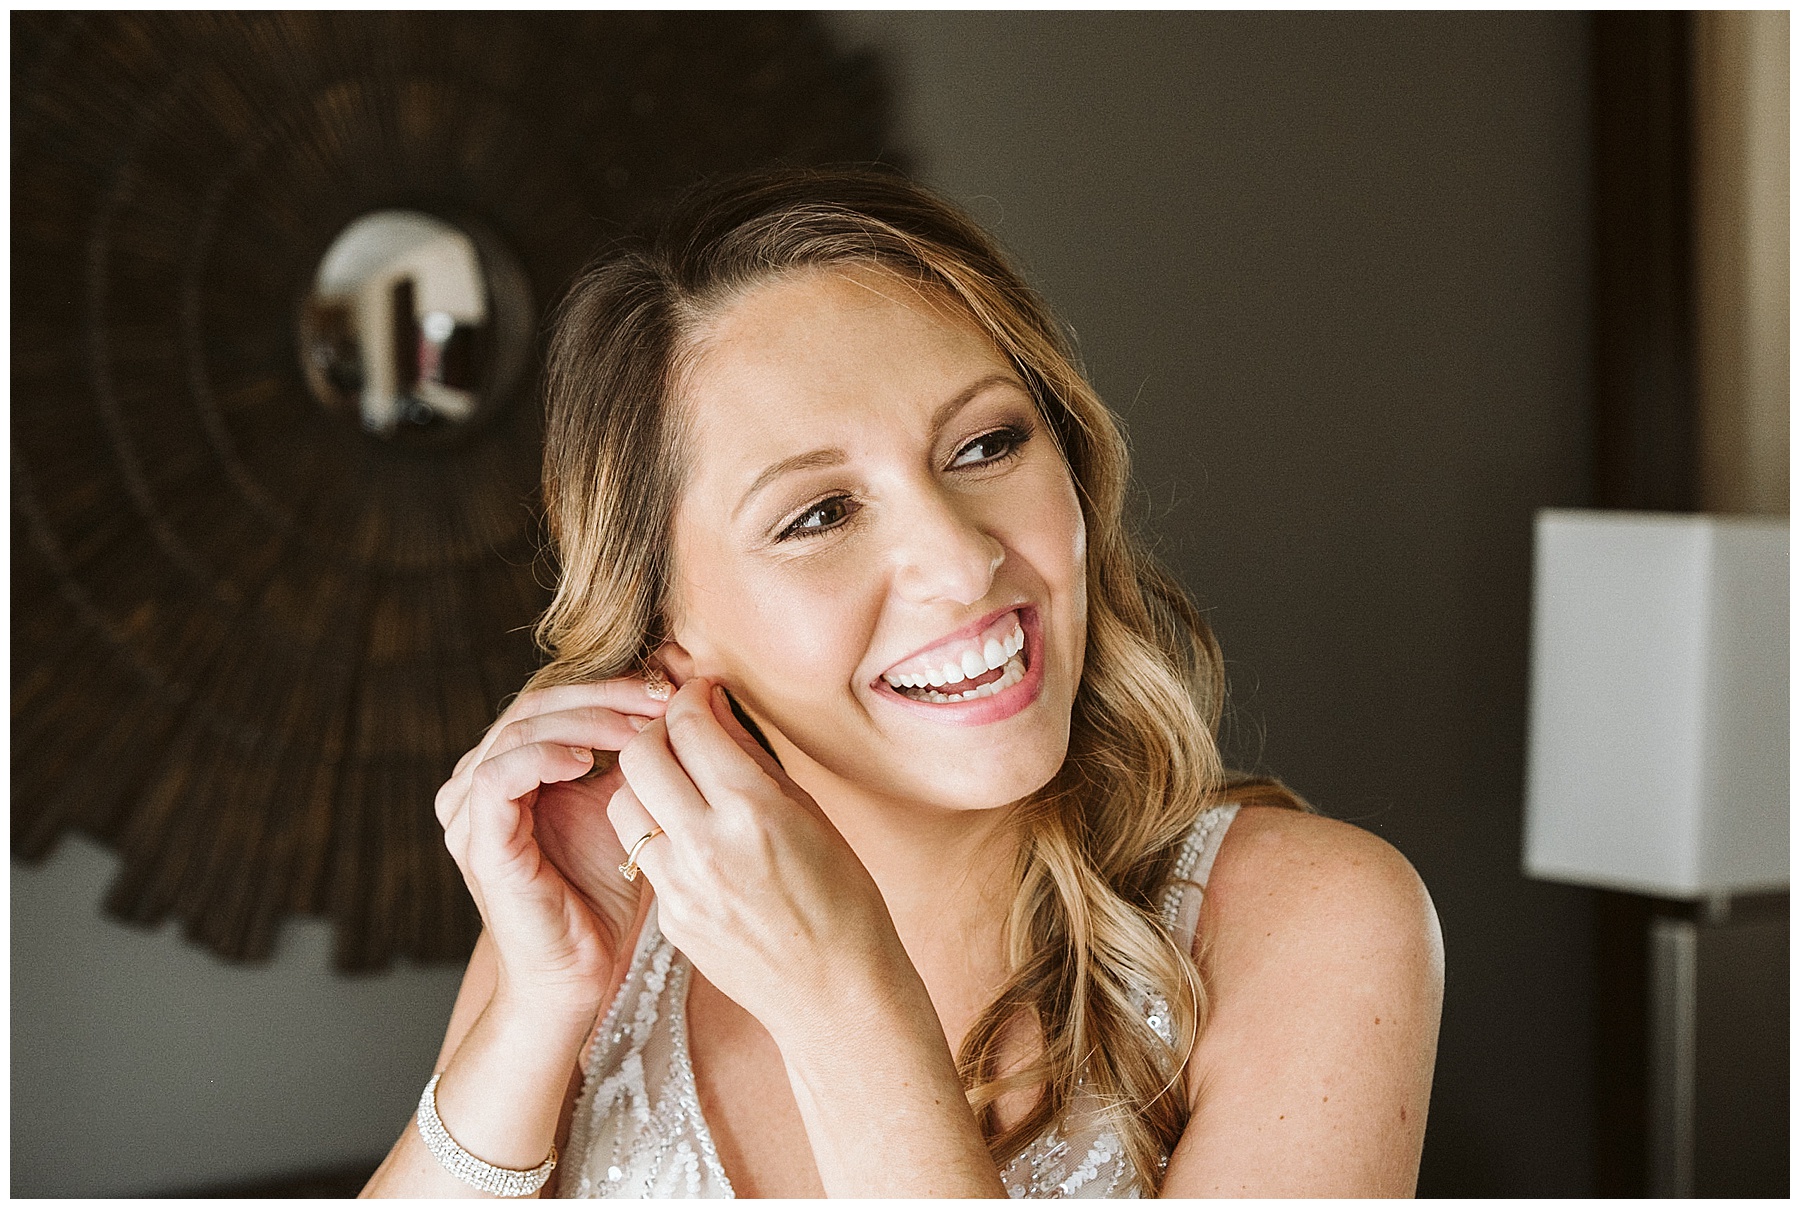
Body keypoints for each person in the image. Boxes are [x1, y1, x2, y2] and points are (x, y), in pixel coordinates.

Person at [361, 168, 1443, 1199]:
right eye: (819, 514)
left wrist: (843, 1001)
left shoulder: (1314, 925)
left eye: (985, 445)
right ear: (666, 632)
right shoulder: (599, 918)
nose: (962, 562)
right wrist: (536, 1010)